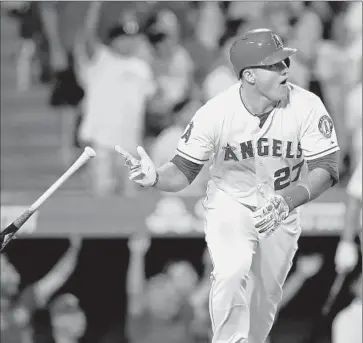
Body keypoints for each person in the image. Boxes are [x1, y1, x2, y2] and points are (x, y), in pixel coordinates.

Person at [117, 28, 340, 343]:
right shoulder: (214, 114)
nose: (285, 70)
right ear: (249, 76)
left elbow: (327, 168)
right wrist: (156, 178)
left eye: (284, 63)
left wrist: (287, 201)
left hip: (285, 203)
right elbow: (181, 171)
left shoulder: (307, 106)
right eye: (273, 66)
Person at [75, 1, 155, 196]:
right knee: (102, 195)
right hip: (100, 144)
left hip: (130, 145)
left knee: (130, 198)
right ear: (113, 40)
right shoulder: (100, 59)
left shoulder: (142, 67)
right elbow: (87, 34)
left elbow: (151, 105)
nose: (128, 42)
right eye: (122, 38)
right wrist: (95, 6)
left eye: (131, 38)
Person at [0, 236, 83, 343]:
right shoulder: (20, 309)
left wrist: (75, 247)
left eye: (7, 264)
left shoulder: (24, 304)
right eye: (6, 266)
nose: (13, 271)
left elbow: (56, 278)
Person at [125, 232, 195, 343]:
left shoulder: (187, 315)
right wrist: (137, 253)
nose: (171, 296)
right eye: (160, 289)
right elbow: (135, 292)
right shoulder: (141, 328)